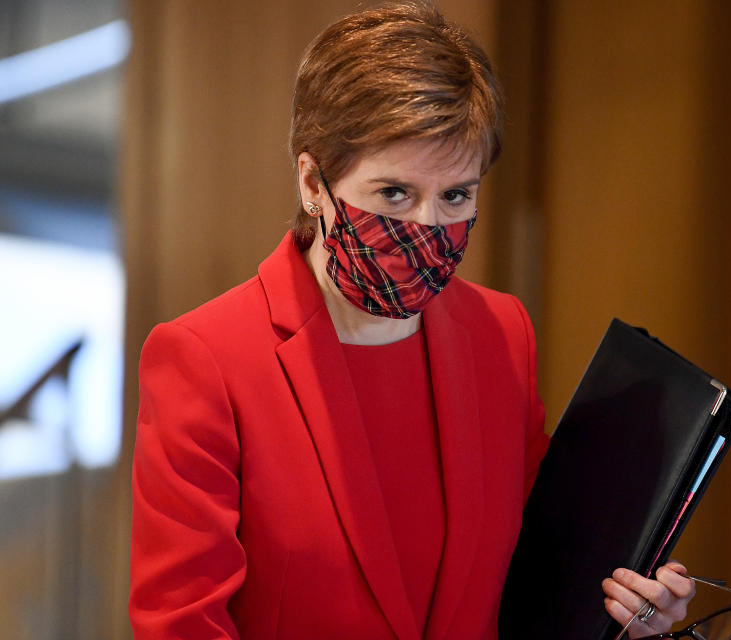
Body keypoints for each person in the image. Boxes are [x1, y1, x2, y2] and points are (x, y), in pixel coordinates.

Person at [128, 2, 695, 638]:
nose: (427, 228)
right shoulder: (205, 357)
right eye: (394, 193)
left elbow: (538, 581)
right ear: (313, 182)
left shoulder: (501, 334)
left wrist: (626, 617)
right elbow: (181, 623)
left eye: (455, 195)